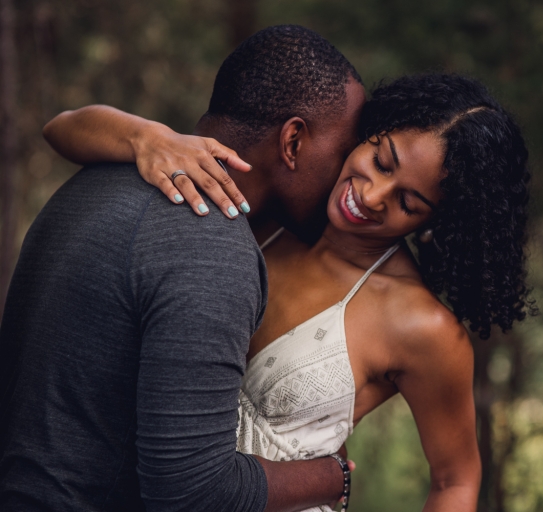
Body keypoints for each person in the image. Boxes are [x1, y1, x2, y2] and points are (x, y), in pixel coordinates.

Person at [43, 73, 534, 512]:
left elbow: (456, 481)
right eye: (381, 160)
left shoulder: (421, 326)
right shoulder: (266, 215)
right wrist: (147, 137)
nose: (372, 195)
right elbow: (62, 128)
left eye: (408, 201)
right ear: (367, 134)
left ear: (434, 222)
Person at [0, 25, 366, 512]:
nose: (349, 178)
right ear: (293, 142)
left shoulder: (98, 179)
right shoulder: (212, 245)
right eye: (344, 152)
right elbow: (193, 492)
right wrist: (331, 476)